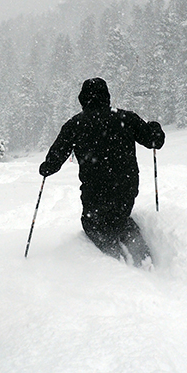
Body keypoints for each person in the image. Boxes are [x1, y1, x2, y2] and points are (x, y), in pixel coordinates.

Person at [39, 77, 165, 266]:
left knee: (94, 224)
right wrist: (154, 127)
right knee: (120, 218)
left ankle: (113, 261)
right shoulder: (126, 118)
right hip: (126, 187)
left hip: (94, 191)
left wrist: (46, 168)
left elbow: (55, 159)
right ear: (106, 96)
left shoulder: (75, 125)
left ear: (82, 99)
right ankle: (142, 257)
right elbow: (155, 141)